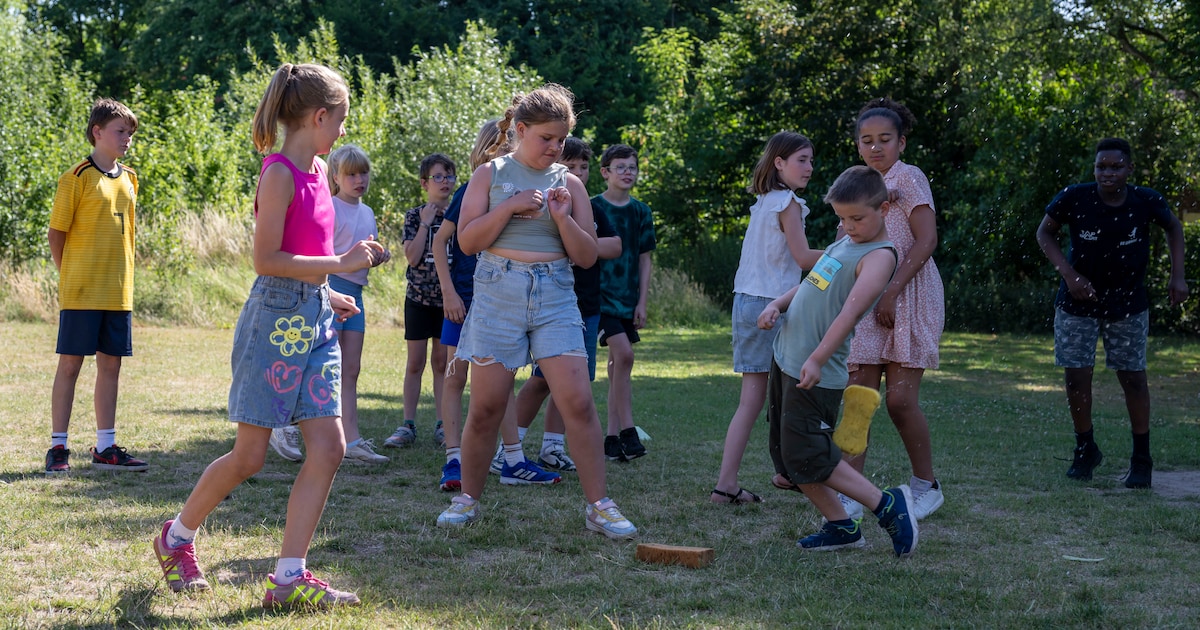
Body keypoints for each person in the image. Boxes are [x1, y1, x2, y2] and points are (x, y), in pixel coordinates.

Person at [152, 63, 383, 608]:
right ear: (319, 116)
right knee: (250, 456)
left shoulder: (322, 169)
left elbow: (305, 260)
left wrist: (327, 291)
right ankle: (175, 537)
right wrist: (341, 262)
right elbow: (266, 259)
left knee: (329, 446)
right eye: (341, 119)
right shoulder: (277, 173)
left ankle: (288, 578)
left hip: (316, 317)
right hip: (275, 320)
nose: (343, 130)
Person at [435, 84, 637, 540]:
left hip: (555, 297)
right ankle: (467, 499)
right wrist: (509, 206)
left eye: (561, 139)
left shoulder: (571, 184)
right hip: (497, 293)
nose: (555, 148)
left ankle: (599, 506)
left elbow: (586, 257)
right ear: (520, 130)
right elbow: (467, 242)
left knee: (579, 402)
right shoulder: (490, 175)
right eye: (546, 137)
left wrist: (563, 219)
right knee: (486, 407)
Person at [758, 165, 917, 557]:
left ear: (883, 209)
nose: (848, 226)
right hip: (787, 358)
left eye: (857, 218)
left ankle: (886, 505)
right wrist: (779, 305)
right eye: (842, 218)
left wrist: (816, 358)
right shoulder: (844, 243)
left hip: (816, 371)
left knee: (809, 453)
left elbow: (849, 314)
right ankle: (842, 526)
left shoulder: (880, 256)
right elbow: (812, 283)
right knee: (789, 457)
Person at [1035, 137, 1188, 489]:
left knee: (1133, 377)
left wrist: (1177, 276)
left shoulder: (1145, 200)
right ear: (1095, 168)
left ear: (1129, 169)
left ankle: (1141, 459)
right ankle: (1085, 447)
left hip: (1128, 304)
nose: (1108, 173)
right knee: (1077, 377)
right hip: (1078, 301)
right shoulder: (1075, 196)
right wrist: (1070, 275)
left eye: (1116, 166)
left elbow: (1174, 227)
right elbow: (1045, 232)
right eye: (1101, 166)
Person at [433, 120, 560, 491]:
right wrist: (448, 294)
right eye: (507, 148)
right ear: (490, 150)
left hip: (502, 302)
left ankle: (513, 460)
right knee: (456, 378)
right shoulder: (475, 187)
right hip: (464, 300)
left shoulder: (527, 190)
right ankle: (454, 461)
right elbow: (442, 242)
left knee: (500, 380)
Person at [843, 98, 945, 521]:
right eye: (867, 141)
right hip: (866, 299)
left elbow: (926, 240)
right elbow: (845, 247)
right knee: (858, 400)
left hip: (910, 295)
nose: (876, 147)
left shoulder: (910, 177)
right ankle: (850, 494)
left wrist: (892, 292)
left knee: (900, 402)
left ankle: (926, 486)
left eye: (885, 139)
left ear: (901, 142)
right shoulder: (856, 184)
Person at [711, 131, 822, 504]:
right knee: (792, 396)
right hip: (772, 305)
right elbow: (805, 258)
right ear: (779, 163)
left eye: (810, 160)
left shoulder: (763, 202)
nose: (809, 167)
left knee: (756, 400)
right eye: (801, 160)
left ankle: (728, 484)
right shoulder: (787, 203)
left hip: (746, 302)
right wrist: (854, 254)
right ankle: (788, 472)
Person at [269, 144, 393, 465]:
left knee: (349, 369)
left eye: (363, 172)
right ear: (335, 177)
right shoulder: (331, 206)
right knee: (314, 364)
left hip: (357, 295)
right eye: (351, 174)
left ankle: (351, 441)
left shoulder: (366, 212)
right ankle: (284, 425)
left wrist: (378, 257)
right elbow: (324, 254)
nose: (359, 179)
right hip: (329, 290)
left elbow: (361, 255)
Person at [45, 98, 147, 474]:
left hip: (118, 292)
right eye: (121, 131)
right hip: (82, 291)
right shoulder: (76, 177)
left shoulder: (131, 178)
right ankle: (58, 448)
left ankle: (106, 447)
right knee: (70, 365)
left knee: (111, 367)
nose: (127, 139)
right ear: (97, 132)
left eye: (131, 133)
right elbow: (57, 234)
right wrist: (70, 274)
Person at [514, 136, 622, 472]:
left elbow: (614, 245)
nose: (577, 173)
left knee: (576, 382)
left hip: (586, 308)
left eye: (583, 167)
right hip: (552, 304)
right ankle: (508, 446)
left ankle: (552, 447)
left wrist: (581, 244)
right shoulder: (544, 205)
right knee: (542, 379)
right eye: (570, 166)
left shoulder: (592, 208)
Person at [385, 154, 455, 449]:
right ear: (425, 183)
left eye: (450, 176)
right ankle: (408, 424)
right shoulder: (415, 216)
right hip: (418, 299)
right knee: (415, 362)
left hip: (448, 302)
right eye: (438, 177)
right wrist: (426, 223)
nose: (445, 182)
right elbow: (412, 258)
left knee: (442, 362)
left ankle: (442, 424)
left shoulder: (459, 214)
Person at [595, 144, 656, 462]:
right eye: (620, 167)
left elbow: (645, 260)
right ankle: (630, 432)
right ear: (605, 172)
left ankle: (610, 438)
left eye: (632, 167)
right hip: (598, 298)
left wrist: (642, 302)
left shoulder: (641, 212)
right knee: (625, 355)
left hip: (627, 300)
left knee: (618, 366)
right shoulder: (592, 207)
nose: (627, 172)